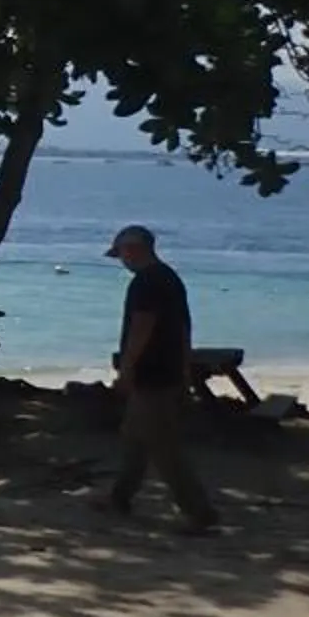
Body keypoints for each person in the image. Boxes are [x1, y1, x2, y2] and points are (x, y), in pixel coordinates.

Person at [98, 224, 222, 534]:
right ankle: (119, 498)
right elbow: (183, 330)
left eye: (122, 253)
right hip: (166, 371)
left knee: (162, 446)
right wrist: (183, 371)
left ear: (133, 249)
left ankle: (199, 512)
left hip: (151, 374)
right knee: (134, 438)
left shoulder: (147, 282)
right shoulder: (169, 278)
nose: (122, 262)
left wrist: (126, 371)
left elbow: (142, 327)